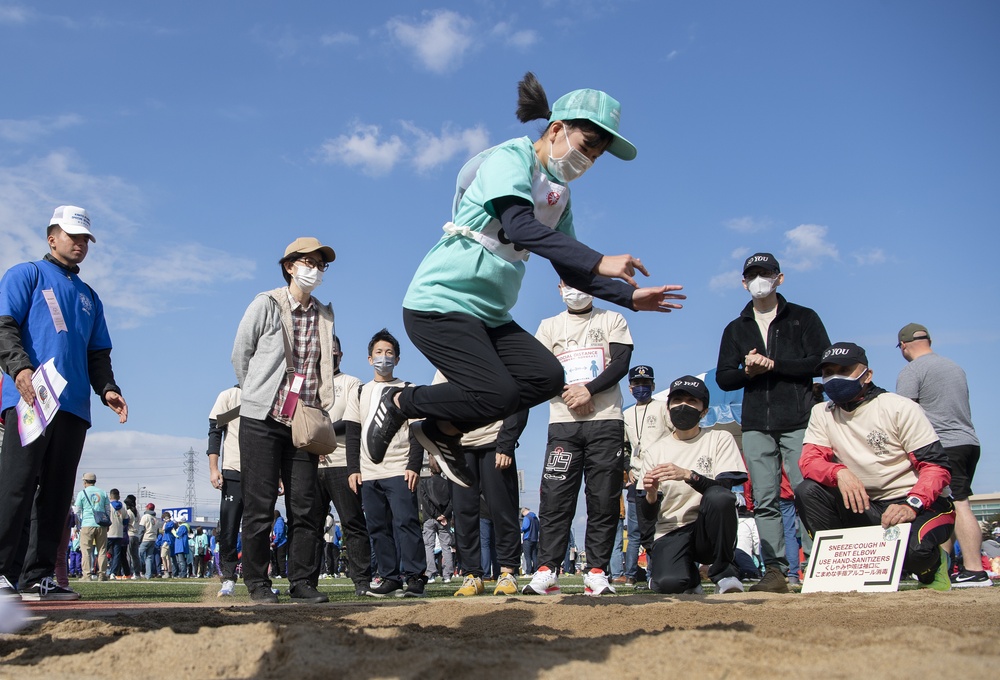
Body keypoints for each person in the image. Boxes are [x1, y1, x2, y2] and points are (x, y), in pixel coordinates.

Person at [364, 72, 684, 490]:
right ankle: (401, 402)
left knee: (545, 378)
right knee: (496, 393)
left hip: (490, 313)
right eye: (586, 148)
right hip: (440, 303)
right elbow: (519, 228)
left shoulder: (559, 194)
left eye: (596, 157)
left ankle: (441, 431)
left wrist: (631, 297)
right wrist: (602, 259)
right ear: (556, 130)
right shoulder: (511, 159)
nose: (586, 163)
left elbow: (570, 267)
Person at [0, 206, 127, 600]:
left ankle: (38, 577)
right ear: (51, 237)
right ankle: (2, 571)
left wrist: (107, 387)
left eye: (86, 239)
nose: (80, 244)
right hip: (30, 397)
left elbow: (97, 353)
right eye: (73, 236)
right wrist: (20, 368)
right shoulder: (27, 274)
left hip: (72, 406)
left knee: (56, 494)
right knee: (17, 485)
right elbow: (3, 327)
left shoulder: (90, 296)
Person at [796, 342, 955, 591]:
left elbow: (936, 467)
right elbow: (809, 461)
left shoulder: (899, 407)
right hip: (865, 504)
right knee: (807, 491)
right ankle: (843, 569)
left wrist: (912, 504)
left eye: (844, 370)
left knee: (915, 553)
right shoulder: (821, 412)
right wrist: (838, 471)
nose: (835, 377)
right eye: (828, 372)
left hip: (919, 504)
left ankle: (935, 564)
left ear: (867, 375)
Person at [715, 252, 829, 593]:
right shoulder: (736, 328)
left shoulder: (803, 318)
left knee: (809, 492)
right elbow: (724, 378)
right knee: (764, 499)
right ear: (743, 282)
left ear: (780, 278)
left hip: (798, 419)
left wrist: (773, 364)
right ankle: (776, 571)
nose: (759, 279)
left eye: (766, 273)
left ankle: (824, 562)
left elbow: (821, 362)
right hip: (755, 424)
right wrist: (746, 371)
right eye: (753, 274)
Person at [231, 237, 336, 605]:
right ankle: (258, 583)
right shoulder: (267, 303)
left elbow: (323, 366)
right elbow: (241, 354)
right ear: (289, 265)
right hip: (262, 417)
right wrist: (257, 392)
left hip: (302, 422)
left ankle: (303, 582)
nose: (314, 269)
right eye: (307, 262)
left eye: (320, 264)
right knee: (259, 505)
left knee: (306, 506)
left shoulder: (324, 314)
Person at [522, 281, 633, 597]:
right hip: (563, 424)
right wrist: (569, 393)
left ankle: (596, 571)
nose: (575, 289)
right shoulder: (549, 326)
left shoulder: (612, 320)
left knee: (603, 497)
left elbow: (621, 363)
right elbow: (538, 370)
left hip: (606, 420)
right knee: (555, 497)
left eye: (581, 282)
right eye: (568, 284)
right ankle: (547, 570)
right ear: (558, 288)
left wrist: (590, 390)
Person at [896, 323, 990, 588]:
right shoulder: (953, 367)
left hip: (943, 445)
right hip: (968, 442)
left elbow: (902, 414)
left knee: (959, 503)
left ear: (903, 346)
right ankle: (943, 569)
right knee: (945, 506)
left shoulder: (912, 370)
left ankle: (974, 570)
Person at [637, 376, 748, 595]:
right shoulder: (654, 452)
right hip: (671, 529)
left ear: (704, 411)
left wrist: (689, 475)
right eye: (677, 400)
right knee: (670, 584)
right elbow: (647, 516)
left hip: (707, 529)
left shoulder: (719, 439)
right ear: (668, 408)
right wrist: (650, 495)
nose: (683, 406)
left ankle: (725, 573)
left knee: (720, 497)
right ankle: (688, 575)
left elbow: (723, 491)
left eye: (691, 401)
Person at [345, 329, 426, 598]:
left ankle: (415, 577)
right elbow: (353, 432)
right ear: (370, 359)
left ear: (398, 359)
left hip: (400, 468)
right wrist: (353, 470)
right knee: (377, 527)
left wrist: (414, 465)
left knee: (406, 523)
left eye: (389, 353)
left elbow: (417, 431)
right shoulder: (360, 392)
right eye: (379, 353)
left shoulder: (408, 390)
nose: (384, 358)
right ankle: (390, 577)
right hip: (369, 472)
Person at [311, 336, 371, 597]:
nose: (328, 355)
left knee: (352, 522)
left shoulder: (351, 384)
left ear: (340, 354)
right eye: (323, 351)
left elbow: (353, 421)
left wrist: (320, 435)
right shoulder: (304, 385)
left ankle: (362, 581)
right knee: (309, 526)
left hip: (343, 463)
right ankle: (304, 582)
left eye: (332, 351)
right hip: (311, 465)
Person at [621, 364, 671, 586]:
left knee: (660, 526)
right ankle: (631, 575)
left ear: (653, 385)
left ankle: (655, 573)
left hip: (662, 476)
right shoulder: (626, 414)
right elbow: (623, 446)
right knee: (635, 531)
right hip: (637, 478)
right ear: (630, 388)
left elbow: (674, 435)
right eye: (637, 384)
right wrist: (627, 468)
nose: (641, 388)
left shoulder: (663, 408)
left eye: (645, 384)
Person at [207, 384, 244, 596]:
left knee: (257, 529)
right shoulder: (229, 396)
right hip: (233, 471)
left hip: (260, 473)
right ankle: (228, 578)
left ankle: (258, 581)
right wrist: (214, 468)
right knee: (229, 528)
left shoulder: (269, 392)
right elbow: (215, 431)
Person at [419, 466, 454, 584]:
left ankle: (430, 573)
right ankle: (447, 574)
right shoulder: (448, 483)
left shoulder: (425, 483)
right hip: (444, 519)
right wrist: (444, 515)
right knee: (446, 546)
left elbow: (425, 501)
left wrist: (436, 515)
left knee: (429, 546)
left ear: (430, 470)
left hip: (429, 518)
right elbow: (452, 501)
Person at [75, 472, 110, 586]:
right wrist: (107, 524)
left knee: (86, 551)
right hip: (101, 524)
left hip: (87, 524)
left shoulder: (82, 493)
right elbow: (107, 510)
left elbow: (77, 511)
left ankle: (87, 575)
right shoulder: (103, 492)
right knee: (102, 551)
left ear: (85, 481)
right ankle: (102, 574)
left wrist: (77, 526)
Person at [106, 488, 129, 579]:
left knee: (103, 552)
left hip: (109, 532)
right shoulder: (123, 507)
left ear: (110, 496)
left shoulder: (108, 506)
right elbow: (126, 521)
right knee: (117, 554)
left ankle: (101, 570)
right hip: (119, 533)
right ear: (119, 497)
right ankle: (113, 573)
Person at [137, 503, 159, 579]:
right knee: (149, 557)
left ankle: (138, 571)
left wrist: (139, 540)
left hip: (145, 538)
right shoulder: (156, 519)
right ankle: (148, 574)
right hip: (153, 539)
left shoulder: (145, 517)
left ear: (147, 508)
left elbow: (141, 529)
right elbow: (158, 531)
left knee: (138, 554)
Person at [520, 508, 539, 576]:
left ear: (523, 512)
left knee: (527, 556)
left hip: (527, 538)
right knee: (534, 556)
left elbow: (525, 527)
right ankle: (535, 571)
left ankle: (528, 571)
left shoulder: (527, 517)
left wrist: (519, 530)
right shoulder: (535, 518)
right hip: (535, 539)